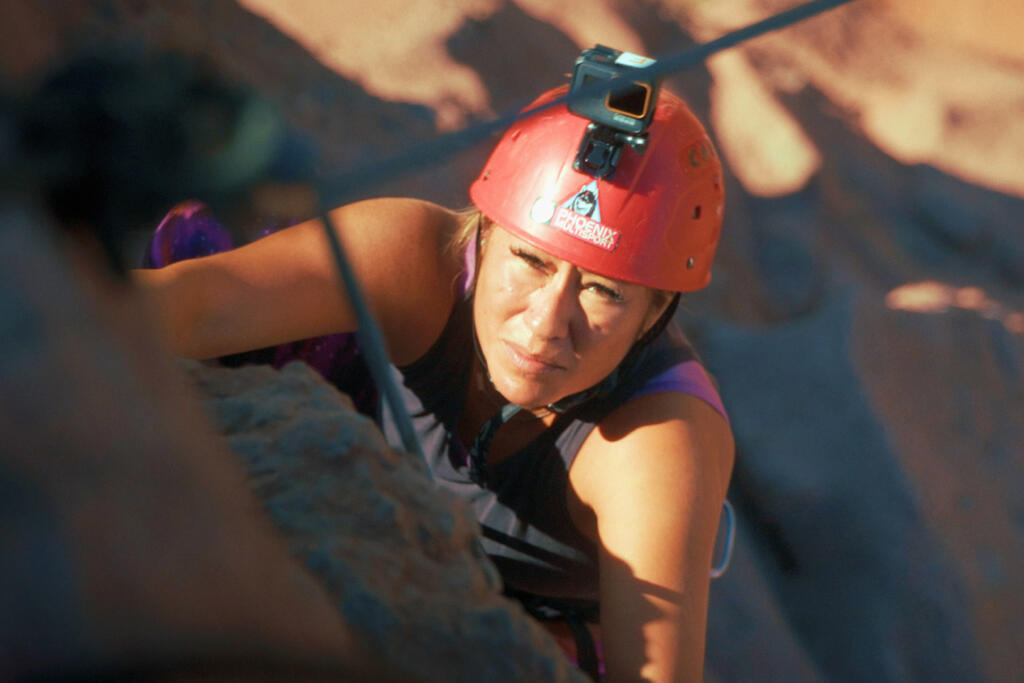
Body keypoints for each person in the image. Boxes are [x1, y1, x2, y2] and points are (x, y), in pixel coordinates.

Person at [136, 80, 734, 682]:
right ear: (485, 232)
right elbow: (192, 306)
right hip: (362, 488)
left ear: (655, 314)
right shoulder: (414, 259)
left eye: (604, 291)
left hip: (531, 628)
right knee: (199, 242)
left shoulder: (654, 443)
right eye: (531, 260)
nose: (547, 324)